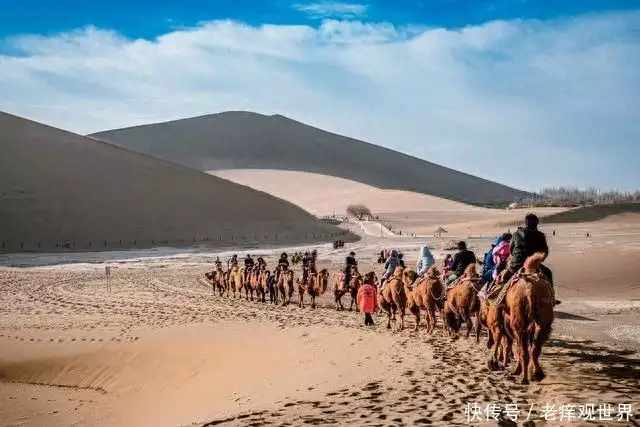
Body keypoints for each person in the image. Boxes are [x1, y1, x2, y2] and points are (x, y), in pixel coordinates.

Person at [498, 213, 560, 304]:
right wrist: (539, 259)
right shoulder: (540, 235)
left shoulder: (516, 234)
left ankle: (499, 299)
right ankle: (551, 297)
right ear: (536, 223)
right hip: (533, 264)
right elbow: (544, 252)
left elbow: (511, 249)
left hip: (516, 263)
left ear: (525, 223)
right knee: (548, 273)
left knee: (504, 278)